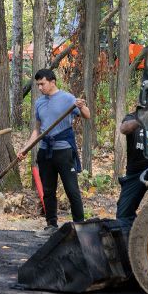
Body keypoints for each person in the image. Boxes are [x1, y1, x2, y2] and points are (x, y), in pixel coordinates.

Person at [25, 68, 90, 228]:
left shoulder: (67, 98)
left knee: (72, 190)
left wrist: (81, 106)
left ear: (52, 82)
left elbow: (87, 115)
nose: (40, 87)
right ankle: (51, 225)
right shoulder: (39, 102)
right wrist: (25, 148)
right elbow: (37, 130)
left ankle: (80, 227)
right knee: (48, 191)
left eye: (42, 84)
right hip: (45, 152)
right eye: (38, 85)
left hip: (64, 151)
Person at [116, 111, 148, 230]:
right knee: (123, 214)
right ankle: (132, 235)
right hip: (136, 171)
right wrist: (142, 118)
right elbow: (123, 129)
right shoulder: (132, 117)